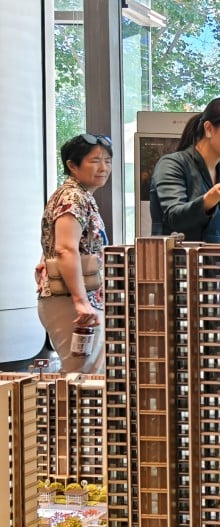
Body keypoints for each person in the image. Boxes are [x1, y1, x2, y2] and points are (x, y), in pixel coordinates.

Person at [36, 133, 112, 373]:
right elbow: (65, 247)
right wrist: (81, 303)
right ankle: (69, 413)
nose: (103, 168)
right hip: (71, 301)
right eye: (95, 161)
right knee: (83, 376)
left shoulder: (79, 195)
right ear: (72, 165)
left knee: (86, 373)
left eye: (108, 161)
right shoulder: (72, 196)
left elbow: (59, 243)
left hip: (77, 298)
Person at [149, 97, 220, 242]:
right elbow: (174, 218)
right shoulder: (172, 164)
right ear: (209, 128)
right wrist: (210, 199)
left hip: (214, 263)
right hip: (174, 261)